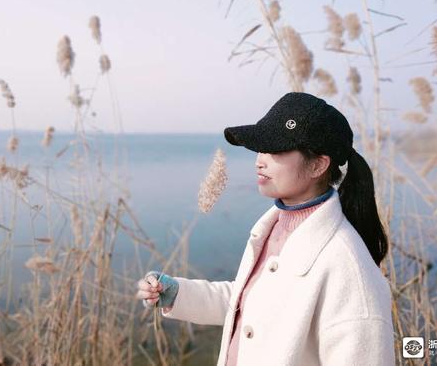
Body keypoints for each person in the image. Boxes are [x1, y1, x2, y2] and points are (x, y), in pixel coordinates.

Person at [135, 92, 396, 366]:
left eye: (276, 150)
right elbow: (253, 300)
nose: (259, 160)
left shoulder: (350, 268)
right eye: (261, 149)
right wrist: (178, 293)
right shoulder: (275, 226)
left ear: (318, 165)